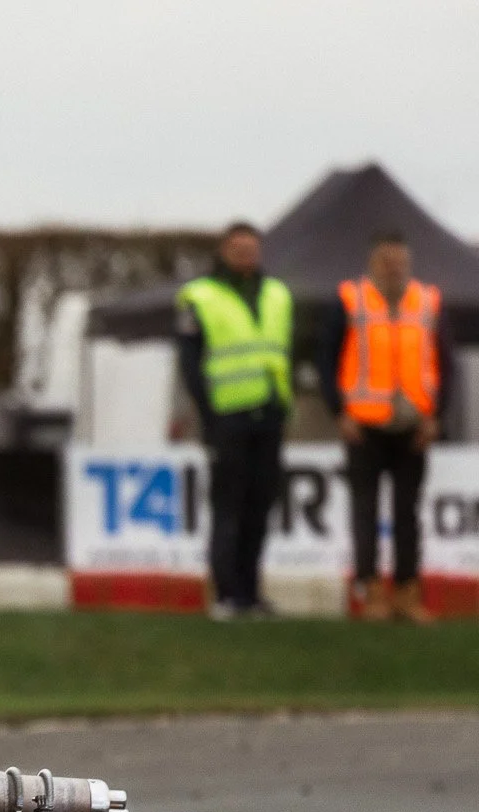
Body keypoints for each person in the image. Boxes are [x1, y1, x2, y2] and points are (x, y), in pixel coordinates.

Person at [317, 231, 456, 624]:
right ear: (371, 262)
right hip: (363, 426)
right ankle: (371, 591)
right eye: (385, 261)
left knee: (408, 513)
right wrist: (339, 412)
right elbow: (327, 359)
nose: (393, 268)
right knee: (365, 511)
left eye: (399, 261)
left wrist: (437, 416)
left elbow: (445, 365)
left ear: (409, 263)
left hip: (414, 427)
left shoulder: (428, 301)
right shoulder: (349, 299)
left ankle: (409, 591)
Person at [177, 222, 296, 620]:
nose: (246, 255)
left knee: (260, 505)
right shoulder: (200, 296)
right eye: (238, 248)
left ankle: (250, 590)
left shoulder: (278, 293)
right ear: (223, 251)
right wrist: (208, 413)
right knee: (228, 505)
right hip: (227, 415)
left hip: (270, 411)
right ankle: (226, 592)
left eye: (252, 248)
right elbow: (191, 363)